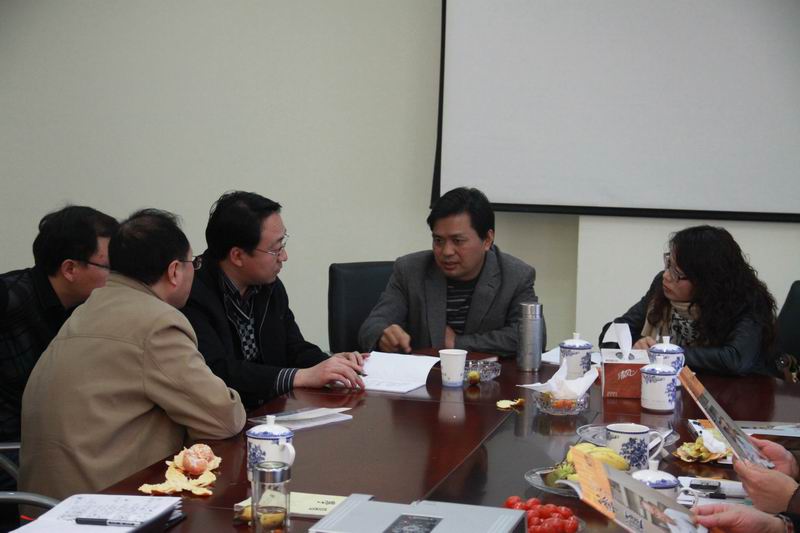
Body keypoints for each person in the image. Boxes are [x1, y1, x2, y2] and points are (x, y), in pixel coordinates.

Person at [19, 209, 246, 502]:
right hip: (103, 505)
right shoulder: (157, 322)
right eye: (194, 263)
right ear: (174, 271)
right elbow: (223, 418)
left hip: (42, 506)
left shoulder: (87, 309)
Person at [182, 191, 364, 409]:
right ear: (237, 256)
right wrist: (300, 376)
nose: (284, 257)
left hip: (271, 412)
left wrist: (331, 363)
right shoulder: (191, 293)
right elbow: (218, 371)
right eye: (276, 249)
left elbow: (293, 347)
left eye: (283, 244)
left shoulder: (269, 286)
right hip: (225, 416)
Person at [0, 206, 117, 484]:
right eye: (109, 267)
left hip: (46, 443)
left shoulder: (83, 310)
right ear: (70, 269)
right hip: (11, 455)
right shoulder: (8, 298)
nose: (117, 277)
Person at [358, 187, 543, 357]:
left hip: (489, 379)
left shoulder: (516, 276)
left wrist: (458, 344)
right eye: (438, 240)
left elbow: (532, 338)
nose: (446, 251)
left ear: (487, 239)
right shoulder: (410, 270)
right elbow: (372, 326)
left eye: (458, 241)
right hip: (425, 378)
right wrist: (383, 336)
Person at [599, 225, 777, 376]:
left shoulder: (748, 300)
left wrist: (666, 353)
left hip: (738, 397)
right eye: (669, 264)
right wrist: (636, 344)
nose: (667, 276)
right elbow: (612, 332)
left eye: (678, 273)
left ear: (707, 281)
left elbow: (735, 359)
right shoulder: (662, 288)